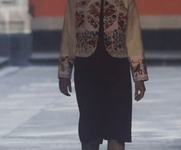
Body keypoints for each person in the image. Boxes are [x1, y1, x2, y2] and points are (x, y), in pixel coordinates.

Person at [58, 0, 148, 149]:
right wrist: (64, 73)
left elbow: (133, 37)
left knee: (117, 129)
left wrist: (139, 77)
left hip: (117, 69)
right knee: (90, 128)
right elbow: (69, 34)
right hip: (87, 69)